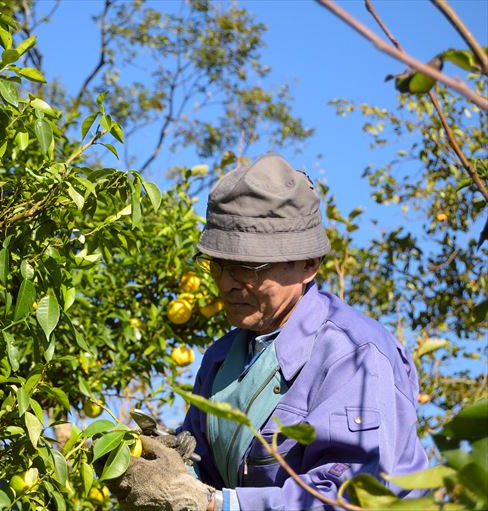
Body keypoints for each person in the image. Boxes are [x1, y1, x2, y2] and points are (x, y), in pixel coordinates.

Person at [111, 154, 428, 510]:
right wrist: (169, 462)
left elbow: (348, 496)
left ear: (309, 264)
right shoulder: (221, 359)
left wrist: (218, 504)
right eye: (217, 265)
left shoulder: (354, 355)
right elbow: (205, 477)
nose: (226, 284)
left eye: (248, 268)